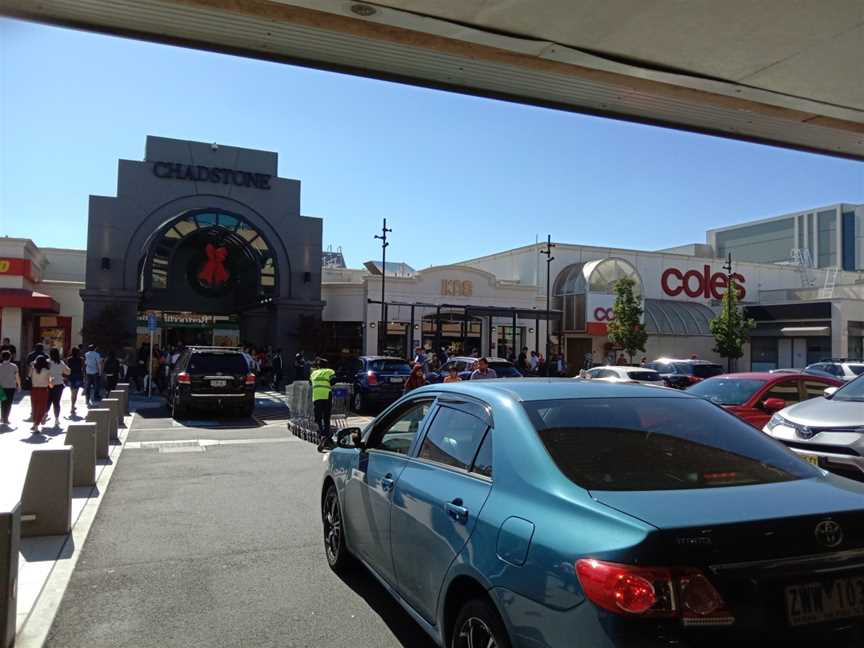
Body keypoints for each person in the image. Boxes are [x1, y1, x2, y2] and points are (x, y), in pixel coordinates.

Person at [310, 358, 336, 452]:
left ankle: (321, 435)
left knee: (318, 418)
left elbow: (310, 383)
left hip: (316, 396)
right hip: (326, 395)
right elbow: (333, 381)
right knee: (326, 417)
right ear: (327, 365)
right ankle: (326, 436)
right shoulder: (329, 371)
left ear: (318, 366)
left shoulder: (313, 373)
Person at [47, 348, 70, 427]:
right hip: (59, 384)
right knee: (56, 402)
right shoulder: (61, 362)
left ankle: (45, 414)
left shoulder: (47, 362)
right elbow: (68, 372)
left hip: (48, 384)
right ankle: (56, 419)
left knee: (48, 400)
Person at [29, 355, 51, 433]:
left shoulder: (33, 369)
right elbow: (50, 384)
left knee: (34, 408)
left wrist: (32, 365)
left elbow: (29, 376)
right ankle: (36, 426)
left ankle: (34, 423)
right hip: (43, 390)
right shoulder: (47, 371)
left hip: (34, 390)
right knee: (41, 408)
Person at [0, 350, 20, 426]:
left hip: (1, 387)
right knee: (9, 403)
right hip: (11, 387)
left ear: (2, 357)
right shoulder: (14, 366)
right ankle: (6, 418)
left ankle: (2, 417)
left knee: (3, 402)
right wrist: (19, 385)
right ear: (10, 357)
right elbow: (17, 376)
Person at [66, 346, 85, 416]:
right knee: (75, 393)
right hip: (78, 376)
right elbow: (83, 368)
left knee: (72, 392)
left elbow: (67, 368)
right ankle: (73, 406)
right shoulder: (81, 359)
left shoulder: (69, 359)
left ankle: (72, 406)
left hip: (71, 377)